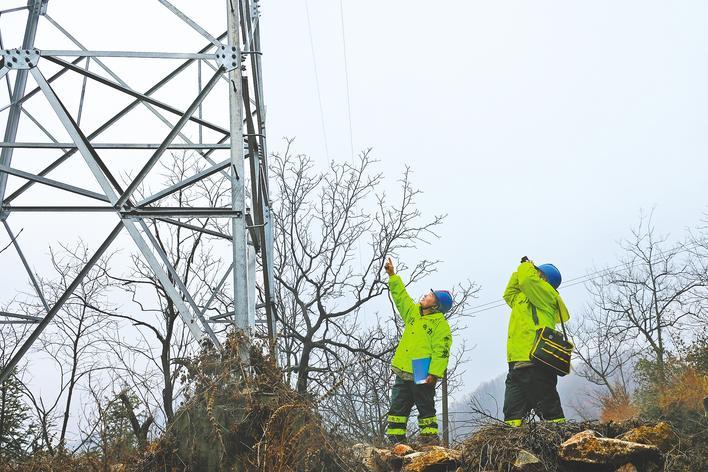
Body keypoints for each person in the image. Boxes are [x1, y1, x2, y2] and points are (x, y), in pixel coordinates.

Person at [383, 257, 453, 444]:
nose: (425, 296)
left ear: (436, 305)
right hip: (403, 367)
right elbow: (401, 298)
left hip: (422, 368)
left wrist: (434, 372)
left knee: (425, 407)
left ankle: (429, 440)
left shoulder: (440, 325)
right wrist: (392, 276)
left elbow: (442, 351)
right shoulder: (413, 313)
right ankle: (396, 440)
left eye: (430, 296)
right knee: (397, 407)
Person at [502, 256, 570, 426]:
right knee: (512, 413)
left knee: (549, 410)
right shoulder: (523, 298)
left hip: (536, 363)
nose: (533, 272)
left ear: (544, 278)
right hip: (517, 364)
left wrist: (525, 266)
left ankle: (561, 440)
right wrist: (519, 270)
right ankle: (514, 448)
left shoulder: (547, 295)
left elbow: (526, 280)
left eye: (537, 271)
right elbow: (509, 293)